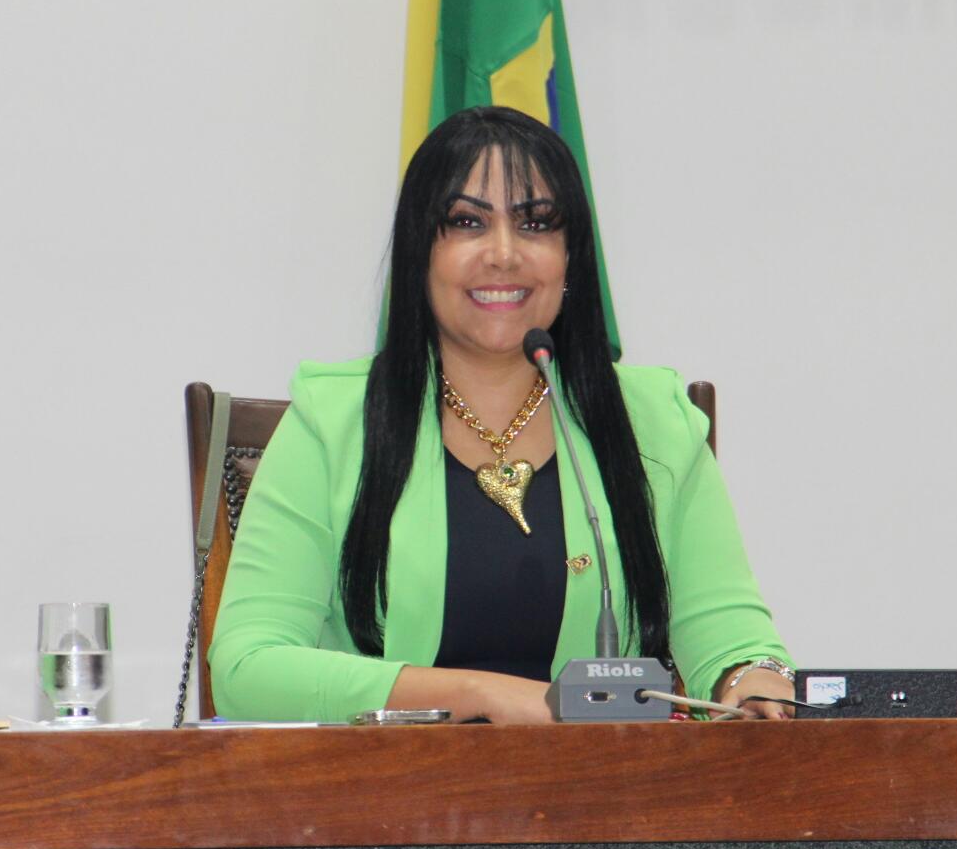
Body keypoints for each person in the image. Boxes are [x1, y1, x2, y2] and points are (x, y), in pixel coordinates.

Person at [209, 106, 793, 724]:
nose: (504, 254)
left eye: (536, 224)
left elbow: (732, 642)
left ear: (570, 258)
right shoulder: (332, 421)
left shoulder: (655, 421)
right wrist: (479, 696)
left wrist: (753, 680)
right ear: (420, 252)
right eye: (467, 222)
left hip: (604, 783)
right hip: (388, 781)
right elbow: (248, 670)